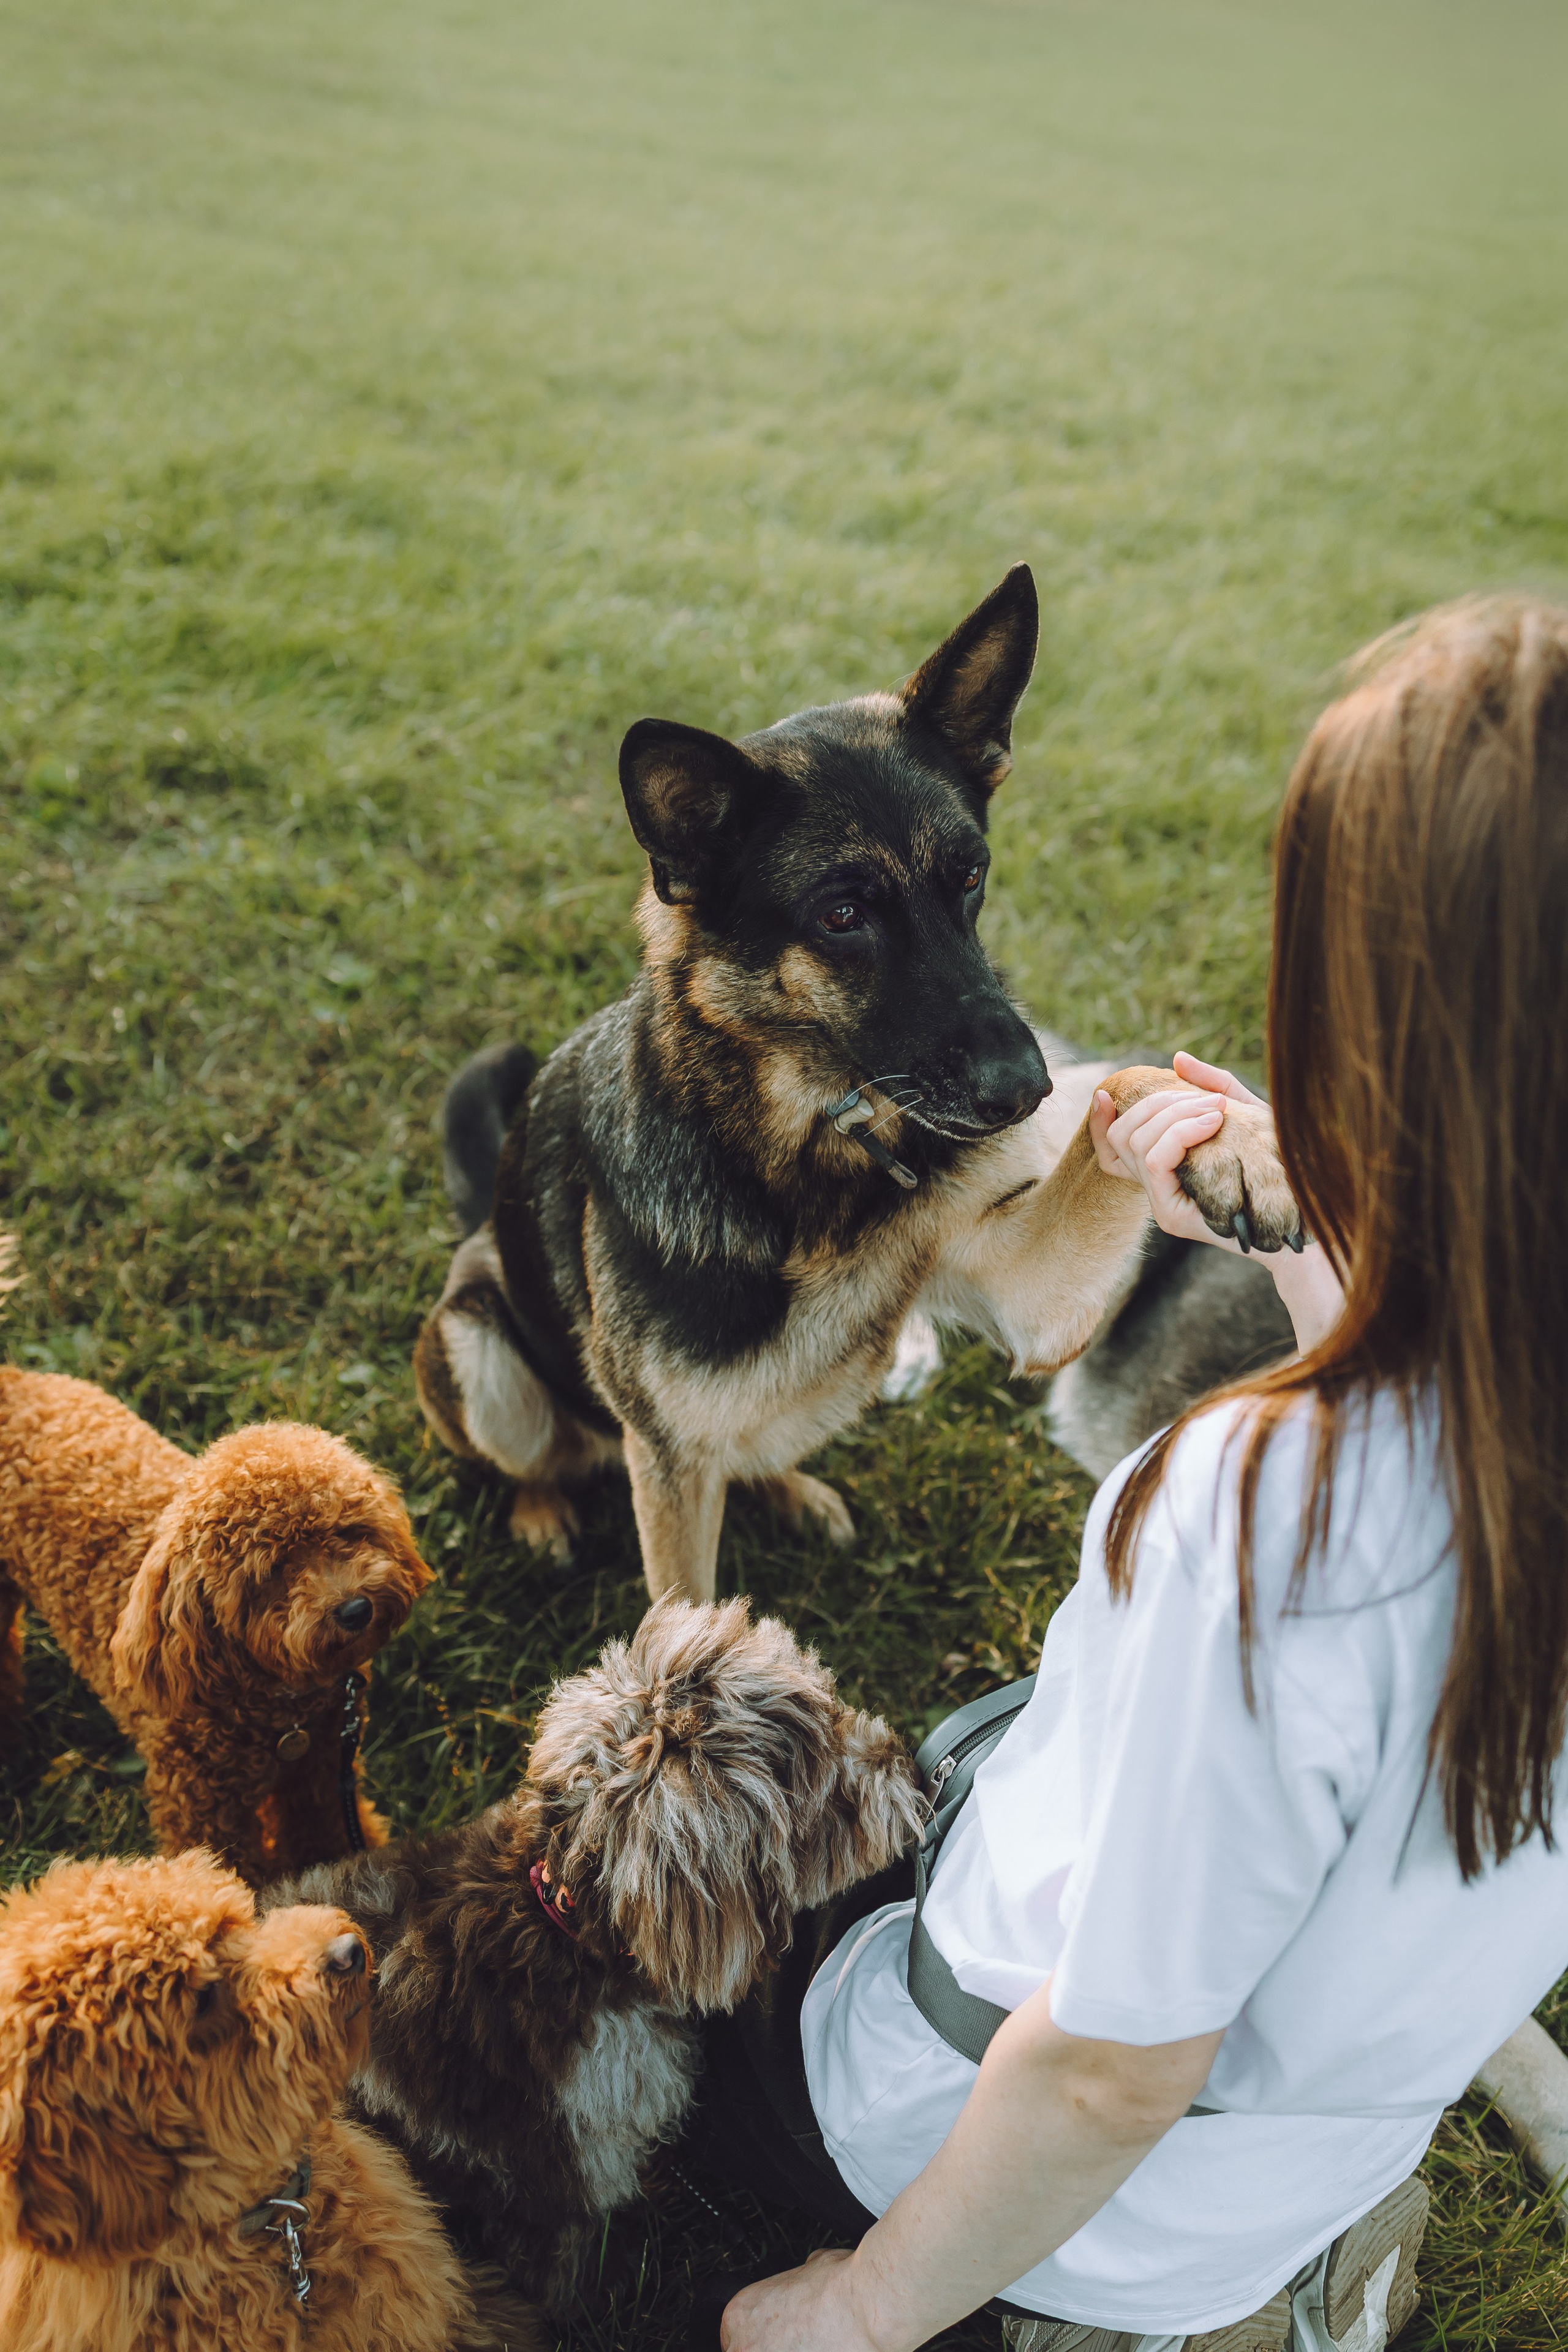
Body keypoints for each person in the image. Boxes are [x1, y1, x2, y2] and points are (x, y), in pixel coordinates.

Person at [708, 597, 1568, 2352]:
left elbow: (1107, 2071)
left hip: (1062, 2184)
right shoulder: (1491, 1433)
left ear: (1366, 998)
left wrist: (857, 2314)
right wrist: (1311, 1227)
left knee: (742, 1946)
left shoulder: (1275, 1517)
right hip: (1314, 2156)